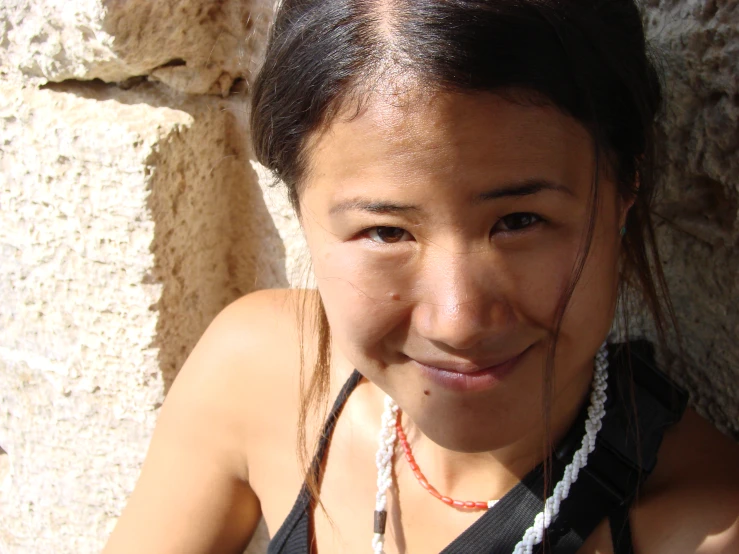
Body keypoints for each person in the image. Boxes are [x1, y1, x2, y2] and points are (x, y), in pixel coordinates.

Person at [103, 1, 739, 553]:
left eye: (519, 221)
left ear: (625, 190)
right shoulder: (260, 376)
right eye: (385, 232)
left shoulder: (697, 528)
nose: (458, 320)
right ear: (302, 211)